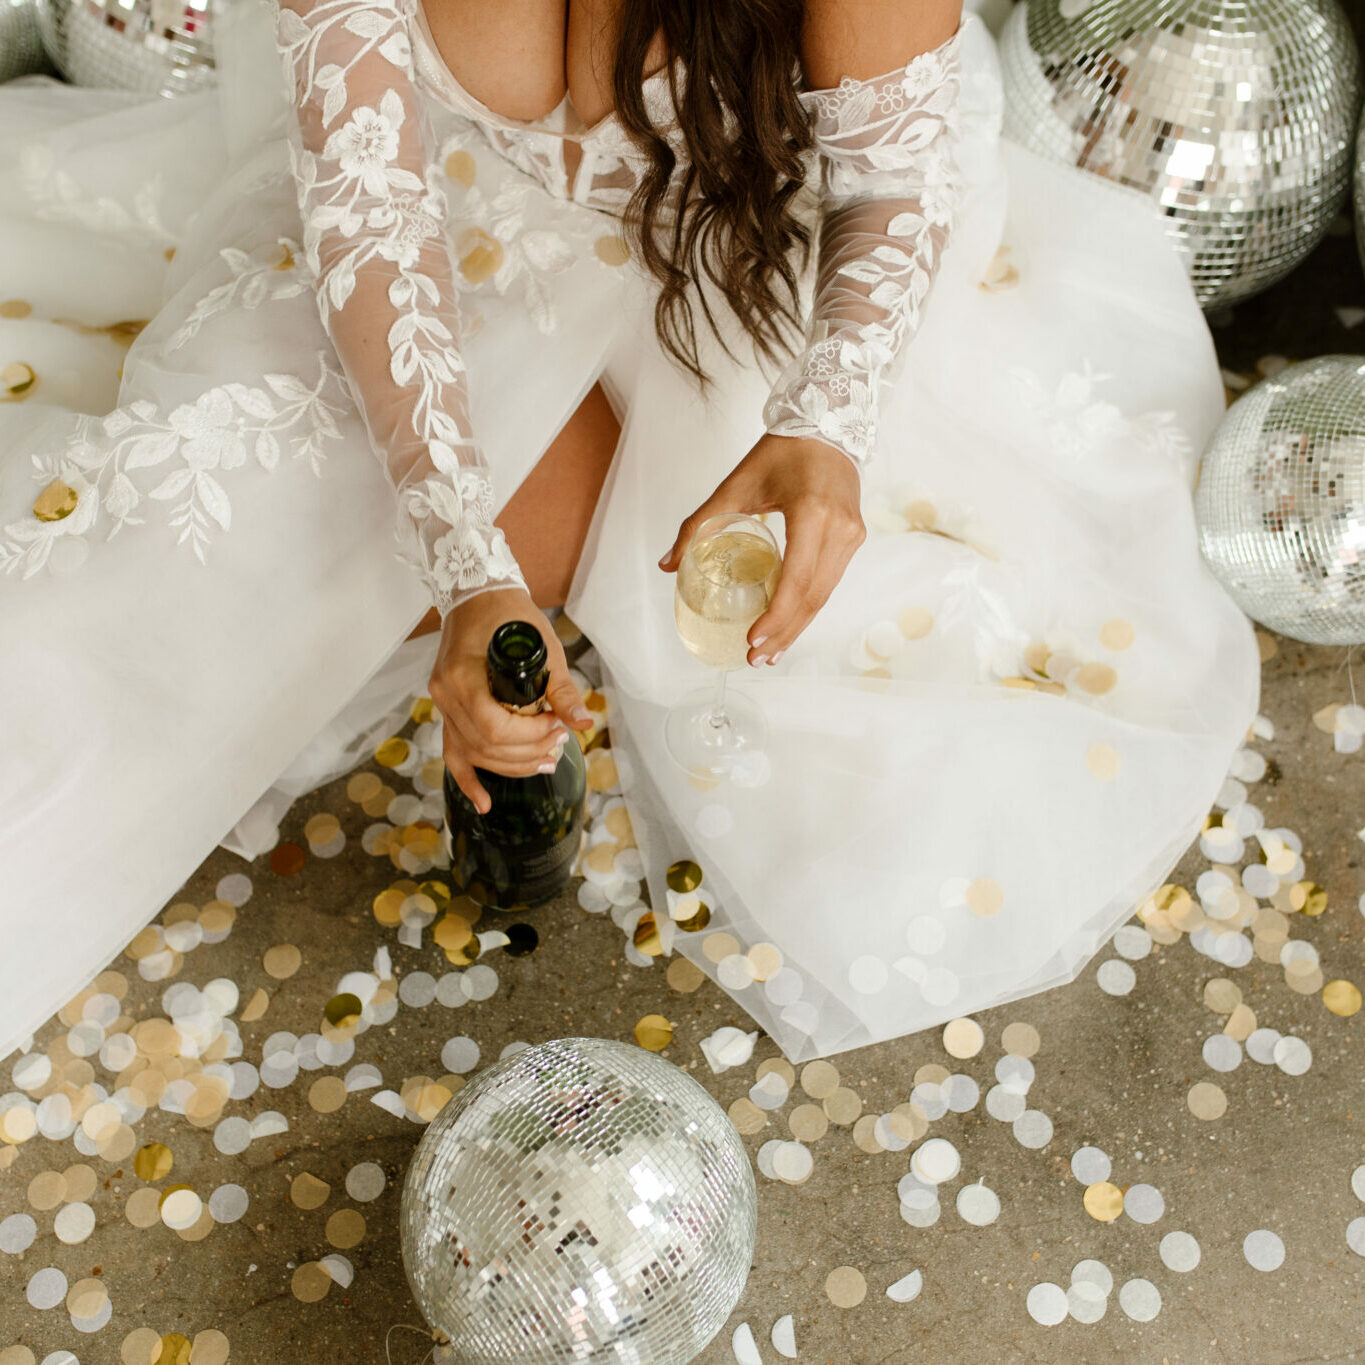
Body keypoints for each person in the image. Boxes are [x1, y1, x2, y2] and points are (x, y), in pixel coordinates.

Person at [0, 0, 1260, 1062]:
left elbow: (893, 175)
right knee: (213, 544)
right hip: (449, 232)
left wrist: (826, 426)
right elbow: (375, 215)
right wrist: (466, 564)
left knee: (792, 654)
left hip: (763, 247)